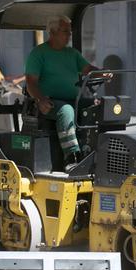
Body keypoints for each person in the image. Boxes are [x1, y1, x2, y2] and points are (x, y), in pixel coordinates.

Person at [25, 15, 107, 172]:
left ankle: (99, 152)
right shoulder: (38, 53)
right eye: (66, 31)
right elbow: (31, 82)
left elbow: (88, 70)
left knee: (101, 107)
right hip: (50, 102)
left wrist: (102, 73)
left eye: (70, 32)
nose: (69, 35)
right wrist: (40, 99)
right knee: (66, 110)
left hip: (73, 99)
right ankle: (71, 157)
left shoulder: (72, 54)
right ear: (53, 32)